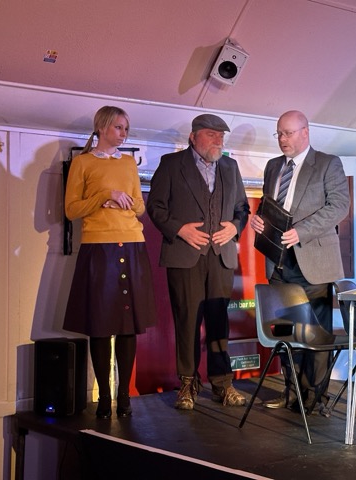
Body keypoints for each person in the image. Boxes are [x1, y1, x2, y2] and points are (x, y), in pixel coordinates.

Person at [147, 113, 250, 410]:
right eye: (211, 135)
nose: (218, 140)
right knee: (187, 319)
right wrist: (180, 229)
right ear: (193, 137)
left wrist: (234, 227)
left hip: (220, 255)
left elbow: (242, 208)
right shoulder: (171, 164)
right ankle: (187, 383)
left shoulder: (230, 166)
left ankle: (223, 383)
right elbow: (155, 207)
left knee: (219, 321)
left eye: (221, 136)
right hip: (185, 253)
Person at [250, 110, 350, 413]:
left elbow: (339, 206)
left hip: (314, 260)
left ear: (305, 132)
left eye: (288, 133)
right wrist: (259, 220)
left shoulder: (328, 163)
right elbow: (270, 206)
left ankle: (315, 398)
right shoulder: (273, 166)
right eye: (279, 133)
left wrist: (301, 231)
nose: (282, 139)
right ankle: (291, 392)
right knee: (286, 330)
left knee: (315, 332)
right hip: (278, 261)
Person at [63, 105, 157, 419]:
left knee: (129, 325)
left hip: (132, 243)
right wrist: (105, 196)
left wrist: (126, 202)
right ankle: (104, 396)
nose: (123, 133)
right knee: (101, 325)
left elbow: (140, 207)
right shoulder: (82, 163)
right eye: (118, 127)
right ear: (102, 127)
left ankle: (123, 395)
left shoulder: (128, 162)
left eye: (126, 128)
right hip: (98, 247)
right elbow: (71, 210)